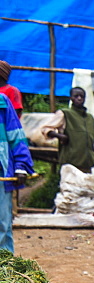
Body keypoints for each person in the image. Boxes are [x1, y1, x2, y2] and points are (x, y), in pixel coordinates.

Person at [0, 91, 31, 253]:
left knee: (2, 223)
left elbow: (16, 135)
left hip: (1, 173)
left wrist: (20, 165)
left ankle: (4, 270)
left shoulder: (2, 102)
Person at [47, 87, 94, 174]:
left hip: (87, 165)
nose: (79, 98)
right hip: (70, 165)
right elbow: (46, 129)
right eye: (76, 96)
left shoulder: (90, 118)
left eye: (82, 96)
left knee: (86, 187)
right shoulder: (65, 114)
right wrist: (60, 136)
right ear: (71, 98)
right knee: (70, 187)